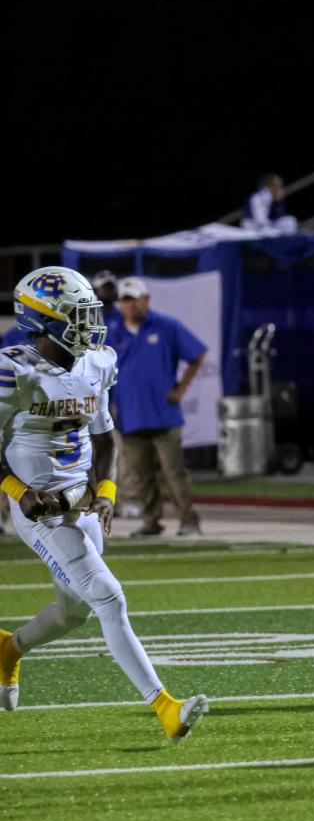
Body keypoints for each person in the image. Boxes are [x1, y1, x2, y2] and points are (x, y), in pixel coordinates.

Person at [0, 265, 208, 737]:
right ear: (43, 321)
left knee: (73, 610)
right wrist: (19, 492)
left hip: (81, 499)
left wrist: (107, 492)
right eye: (77, 315)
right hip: (41, 511)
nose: (90, 324)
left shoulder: (97, 361)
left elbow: (105, 436)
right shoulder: (14, 369)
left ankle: (9, 649)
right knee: (109, 598)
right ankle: (166, 708)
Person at [110, 276, 206, 538]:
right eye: (125, 301)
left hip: (164, 415)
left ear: (146, 300)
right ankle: (151, 521)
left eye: (134, 300)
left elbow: (197, 354)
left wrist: (180, 389)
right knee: (141, 476)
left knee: (174, 473)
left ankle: (188, 520)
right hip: (130, 416)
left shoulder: (166, 326)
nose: (130, 306)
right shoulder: (113, 333)